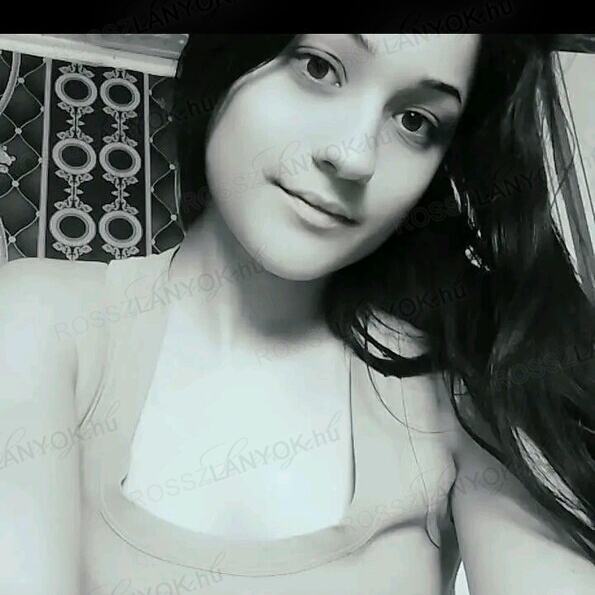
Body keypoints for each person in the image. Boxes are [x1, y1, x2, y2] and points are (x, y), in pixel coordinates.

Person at [1, 33, 593, 595]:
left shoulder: (459, 388)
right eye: (319, 67)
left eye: (415, 121)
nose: (354, 156)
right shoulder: (47, 320)